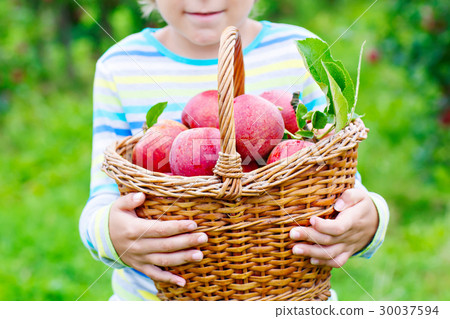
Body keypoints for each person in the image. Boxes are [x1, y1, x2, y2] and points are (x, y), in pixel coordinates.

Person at [80, 0, 389, 301]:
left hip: (289, 293)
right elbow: (103, 195)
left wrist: (369, 220)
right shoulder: (121, 65)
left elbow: (339, 181)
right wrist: (112, 234)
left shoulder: (295, 51)